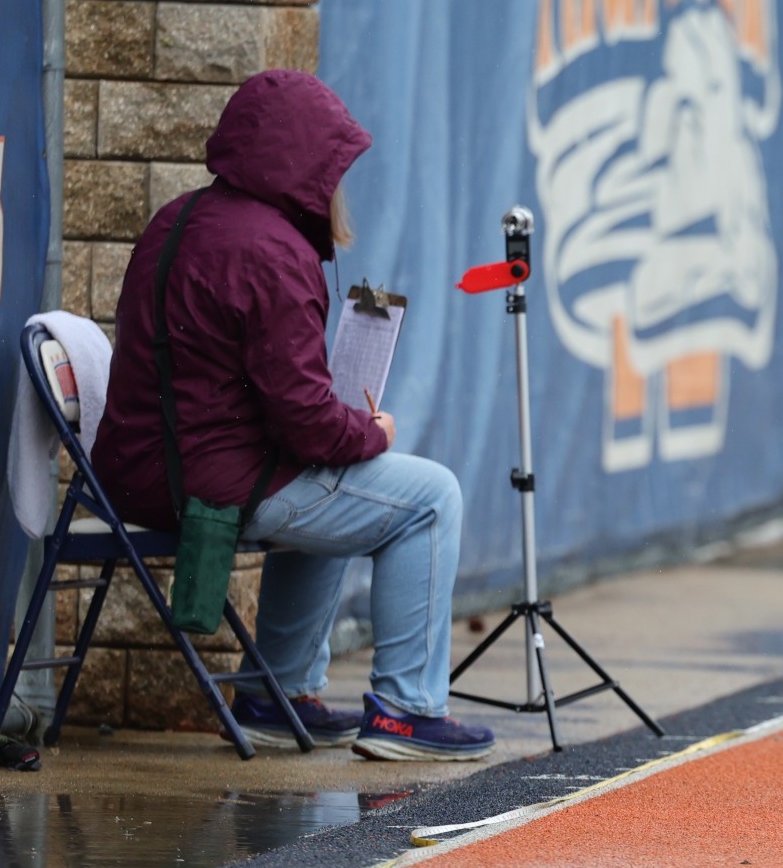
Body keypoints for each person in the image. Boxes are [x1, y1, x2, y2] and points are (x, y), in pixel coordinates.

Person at [92, 70, 495, 762]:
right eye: (335, 164)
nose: (340, 180)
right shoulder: (274, 251)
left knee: (335, 480)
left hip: (132, 476)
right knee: (430, 496)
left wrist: (341, 435)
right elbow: (306, 423)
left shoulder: (177, 217)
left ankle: (275, 698)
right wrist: (373, 432)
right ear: (305, 163)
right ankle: (405, 709)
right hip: (212, 486)